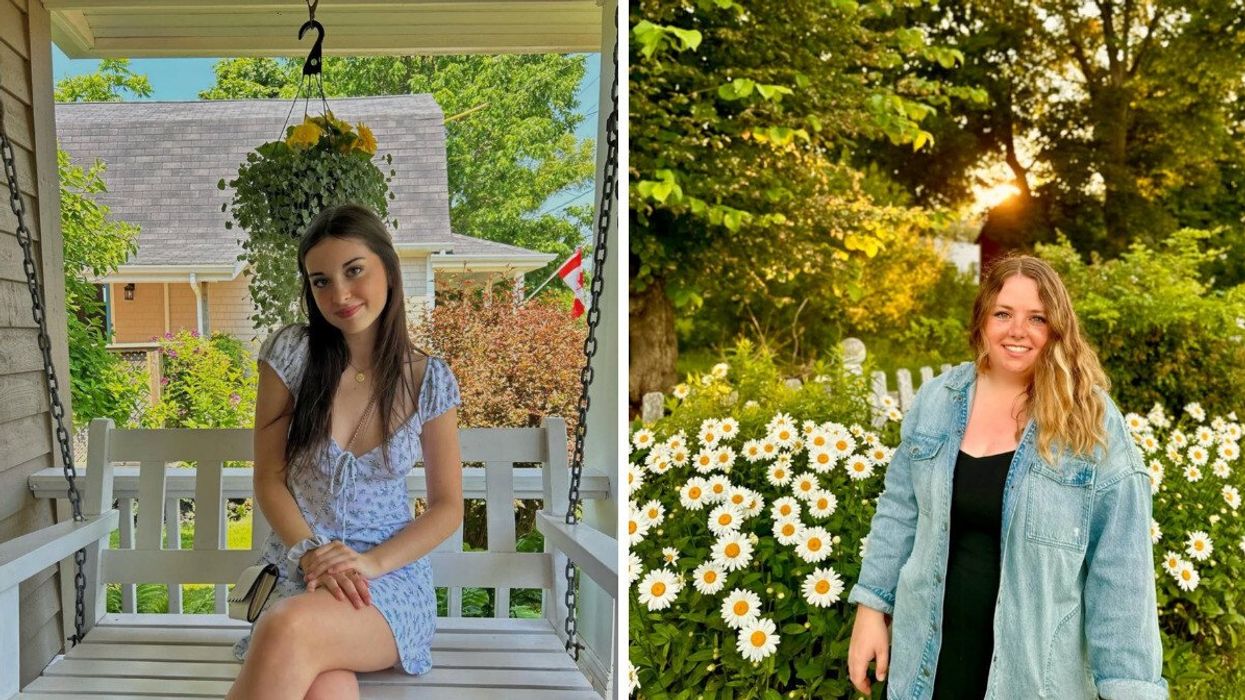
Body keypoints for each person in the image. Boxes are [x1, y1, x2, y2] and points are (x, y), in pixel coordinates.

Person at [846, 255, 1168, 699]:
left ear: (1057, 329)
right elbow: (900, 509)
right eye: (1003, 314)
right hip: (927, 662)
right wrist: (871, 608)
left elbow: (1122, 573)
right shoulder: (938, 400)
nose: (1017, 331)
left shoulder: (1090, 422)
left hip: (1031, 678)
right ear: (982, 321)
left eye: (1037, 318)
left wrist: (1131, 690)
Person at [226, 204, 464, 700]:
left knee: (288, 628)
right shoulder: (291, 354)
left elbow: (447, 508)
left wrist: (368, 565)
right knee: (326, 686)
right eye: (320, 281)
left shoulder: (428, 380)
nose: (339, 294)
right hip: (302, 568)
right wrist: (310, 553)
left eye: (354, 270)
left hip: (388, 581)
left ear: (388, 269)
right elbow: (269, 476)